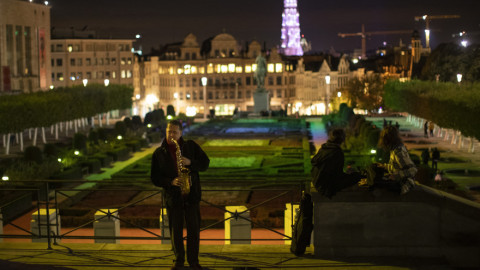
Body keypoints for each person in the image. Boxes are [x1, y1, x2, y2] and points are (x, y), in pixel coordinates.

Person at [151, 120, 210, 270]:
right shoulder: (159, 153)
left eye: (175, 132)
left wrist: (190, 162)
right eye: (169, 131)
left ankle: (193, 262)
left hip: (191, 197)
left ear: (181, 133)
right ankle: (179, 260)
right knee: (175, 231)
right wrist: (170, 181)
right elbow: (155, 178)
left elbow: (205, 163)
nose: (171, 135)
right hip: (173, 198)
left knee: (194, 231)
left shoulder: (190, 146)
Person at [311, 128, 363, 198]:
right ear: (342, 139)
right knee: (356, 177)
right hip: (326, 187)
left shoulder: (324, 148)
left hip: (317, 182)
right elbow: (337, 175)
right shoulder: (337, 152)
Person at [376, 126, 417, 195]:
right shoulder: (395, 149)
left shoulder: (398, 152)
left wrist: (395, 176)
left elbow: (413, 170)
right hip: (400, 183)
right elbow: (397, 168)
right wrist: (384, 166)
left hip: (403, 185)